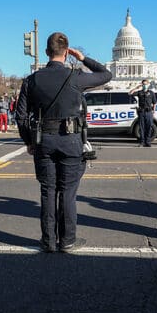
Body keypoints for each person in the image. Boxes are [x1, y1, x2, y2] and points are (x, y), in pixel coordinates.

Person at [16, 32, 112, 252]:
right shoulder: (75, 77)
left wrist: (28, 141)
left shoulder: (32, 80)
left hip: (43, 141)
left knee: (48, 191)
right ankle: (67, 240)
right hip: (71, 141)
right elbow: (106, 74)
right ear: (66, 52)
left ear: (47, 52)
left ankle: (48, 241)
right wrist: (82, 58)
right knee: (67, 192)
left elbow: (20, 116)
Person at [129, 79, 156, 147]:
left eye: (146, 84)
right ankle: (142, 142)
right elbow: (130, 93)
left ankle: (148, 141)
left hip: (149, 112)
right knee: (141, 127)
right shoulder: (139, 92)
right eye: (143, 84)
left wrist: (153, 111)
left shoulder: (151, 93)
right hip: (141, 112)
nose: (145, 85)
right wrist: (136, 87)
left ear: (148, 85)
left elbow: (154, 103)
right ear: (142, 85)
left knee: (149, 127)